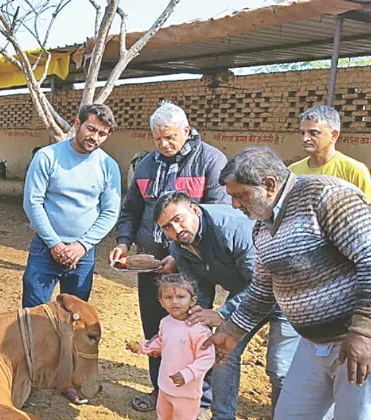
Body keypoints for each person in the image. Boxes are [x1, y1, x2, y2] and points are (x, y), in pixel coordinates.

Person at [205, 146, 371, 419]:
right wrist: (232, 331)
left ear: (269, 185)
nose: (234, 204)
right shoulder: (262, 227)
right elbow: (262, 289)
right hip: (312, 344)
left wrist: (364, 331)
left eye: (240, 195)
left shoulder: (326, 196)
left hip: (355, 344)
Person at [109, 100, 229, 415]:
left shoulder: (211, 162)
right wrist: (123, 242)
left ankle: (198, 401)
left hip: (192, 269)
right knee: (156, 328)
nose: (164, 144)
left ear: (187, 131)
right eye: (158, 138)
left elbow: (217, 216)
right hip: (151, 267)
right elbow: (131, 209)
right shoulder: (146, 164)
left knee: (193, 332)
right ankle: (159, 388)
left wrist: (178, 255)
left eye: (170, 137)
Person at [153, 190, 299, 418]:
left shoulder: (233, 229)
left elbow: (263, 283)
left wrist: (222, 313)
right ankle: (222, 416)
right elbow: (197, 287)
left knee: (280, 368)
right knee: (223, 351)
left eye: (177, 219)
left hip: (284, 294)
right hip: (244, 293)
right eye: (167, 227)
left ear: (193, 209)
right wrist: (195, 317)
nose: (176, 230)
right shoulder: (180, 246)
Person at [22, 103, 122, 404]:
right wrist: (54, 243)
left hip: (84, 253)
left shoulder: (108, 166)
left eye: (102, 134)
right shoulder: (48, 157)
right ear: (77, 123)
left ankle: (68, 380)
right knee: (34, 316)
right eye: (91, 129)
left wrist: (81, 245)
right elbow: (33, 202)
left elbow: (110, 212)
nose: (95, 137)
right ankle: (27, 378)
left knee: (77, 321)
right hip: (45, 248)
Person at [127, 273, 216, 420]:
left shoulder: (198, 329)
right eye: (168, 297)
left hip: (186, 392)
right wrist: (143, 347)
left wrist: (188, 374)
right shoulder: (165, 322)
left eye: (181, 297)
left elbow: (207, 358)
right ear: (161, 302)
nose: (174, 302)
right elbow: (162, 342)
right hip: (165, 386)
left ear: (193, 300)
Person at [289, 105, 371, 199]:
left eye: (313, 133)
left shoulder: (354, 171)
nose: (305, 139)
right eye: (302, 133)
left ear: (334, 135)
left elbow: (366, 210)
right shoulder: (292, 171)